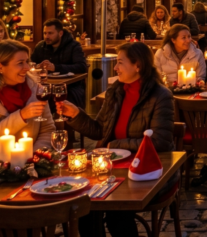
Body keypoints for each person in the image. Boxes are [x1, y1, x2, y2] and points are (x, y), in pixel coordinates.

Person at [57, 42, 175, 237]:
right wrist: (76, 115)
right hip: (111, 168)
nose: (115, 67)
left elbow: (159, 142)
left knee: (116, 213)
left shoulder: (160, 96)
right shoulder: (116, 91)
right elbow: (100, 131)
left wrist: (115, 145)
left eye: (120, 62)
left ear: (138, 65)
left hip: (146, 170)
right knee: (85, 207)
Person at [0, 40, 54, 150]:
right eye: (20, 63)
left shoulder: (36, 89)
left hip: (33, 163)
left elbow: (47, 129)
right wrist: (21, 116)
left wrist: (33, 156)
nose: (27, 67)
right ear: (0, 68)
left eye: (27, 61)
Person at [31, 19, 88, 107]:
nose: (46, 36)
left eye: (50, 33)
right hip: (45, 85)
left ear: (60, 33)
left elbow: (82, 66)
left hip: (70, 86)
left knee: (66, 97)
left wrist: (56, 68)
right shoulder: (40, 46)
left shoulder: (73, 46)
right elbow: (31, 64)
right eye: (45, 33)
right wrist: (38, 66)